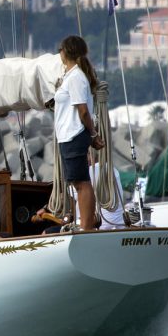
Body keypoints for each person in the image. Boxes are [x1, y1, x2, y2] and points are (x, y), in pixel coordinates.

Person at [53, 35, 104, 231]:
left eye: (60, 49)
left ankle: (86, 227)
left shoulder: (75, 77)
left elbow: (82, 110)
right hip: (68, 135)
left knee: (81, 183)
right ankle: (86, 225)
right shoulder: (71, 76)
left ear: (66, 51)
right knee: (78, 182)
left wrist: (93, 134)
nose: (59, 52)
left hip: (74, 134)